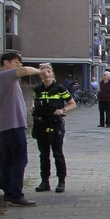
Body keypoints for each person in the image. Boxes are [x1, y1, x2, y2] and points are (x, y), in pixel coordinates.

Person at [0, 51, 41, 206]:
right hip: (13, 126)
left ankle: (8, 192)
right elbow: (25, 71)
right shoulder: (5, 76)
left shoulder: (5, 80)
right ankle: (17, 194)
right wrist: (41, 70)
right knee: (20, 159)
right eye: (15, 62)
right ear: (6, 63)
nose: (18, 66)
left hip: (6, 125)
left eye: (20, 63)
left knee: (9, 160)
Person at [31, 62, 76, 193]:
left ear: (52, 74)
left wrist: (62, 110)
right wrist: (33, 107)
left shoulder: (59, 88)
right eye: (43, 72)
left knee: (57, 153)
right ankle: (45, 181)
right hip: (41, 124)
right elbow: (34, 103)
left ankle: (61, 181)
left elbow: (72, 104)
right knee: (43, 155)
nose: (46, 75)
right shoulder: (37, 90)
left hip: (55, 124)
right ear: (40, 75)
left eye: (48, 72)